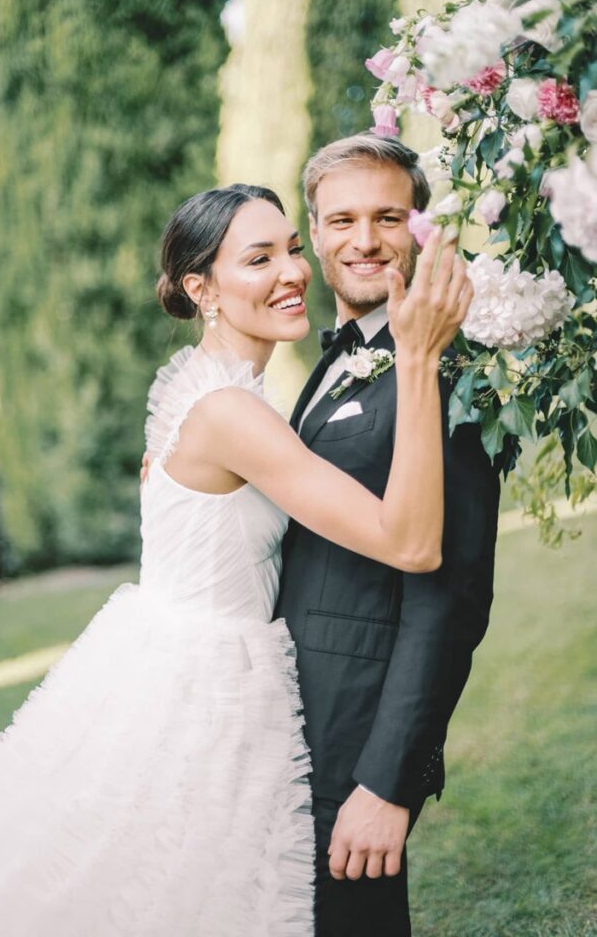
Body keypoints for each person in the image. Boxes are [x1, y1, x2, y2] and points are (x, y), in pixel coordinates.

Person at [0, 182, 470, 937]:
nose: (292, 272)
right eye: (259, 258)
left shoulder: (201, 385)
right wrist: (418, 358)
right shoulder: (229, 412)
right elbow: (409, 544)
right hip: (206, 691)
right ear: (202, 288)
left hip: (168, 653)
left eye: (293, 250)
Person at [274, 135, 500, 937]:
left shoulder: (449, 379)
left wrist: (388, 782)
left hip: (356, 738)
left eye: (387, 216)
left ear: (421, 228)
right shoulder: (328, 361)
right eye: (341, 219)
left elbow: (453, 596)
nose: (364, 240)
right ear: (315, 232)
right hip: (282, 718)